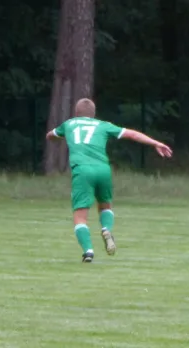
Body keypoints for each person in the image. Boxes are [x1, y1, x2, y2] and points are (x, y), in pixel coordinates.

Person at [46, 98, 173, 262]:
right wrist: (155, 143)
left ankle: (88, 251)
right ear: (93, 114)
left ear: (76, 113)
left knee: (80, 216)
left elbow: (50, 135)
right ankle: (106, 228)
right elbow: (132, 134)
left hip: (82, 170)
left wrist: (58, 138)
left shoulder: (69, 124)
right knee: (105, 205)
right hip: (103, 169)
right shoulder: (103, 125)